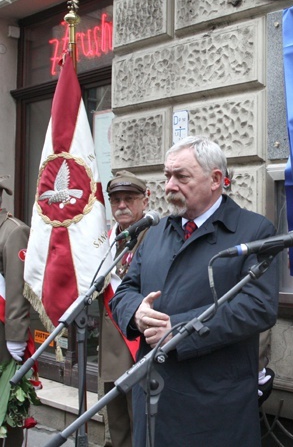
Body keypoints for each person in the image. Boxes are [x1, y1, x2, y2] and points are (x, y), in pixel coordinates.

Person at [110, 136, 279, 446]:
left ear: (215, 179)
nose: (169, 185)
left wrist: (178, 329)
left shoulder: (254, 231)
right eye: (167, 176)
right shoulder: (157, 231)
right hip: (153, 397)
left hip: (212, 405)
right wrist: (137, 312)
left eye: (181, 176)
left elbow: (258, 306)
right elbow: (125, 291)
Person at [99, 171, 150, 447]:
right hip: (112, 344)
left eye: (129, 199)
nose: (121, 205)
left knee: (142, 420)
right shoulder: (107, 240)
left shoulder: (155, 235)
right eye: (115, 199)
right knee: (117, 421)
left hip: (140, 343)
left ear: (145, 200)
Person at [0, 176, 32, 447]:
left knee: (6, 406)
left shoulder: (13, 231)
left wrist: (16, 335)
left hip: (2, 337)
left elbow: (16, 287)